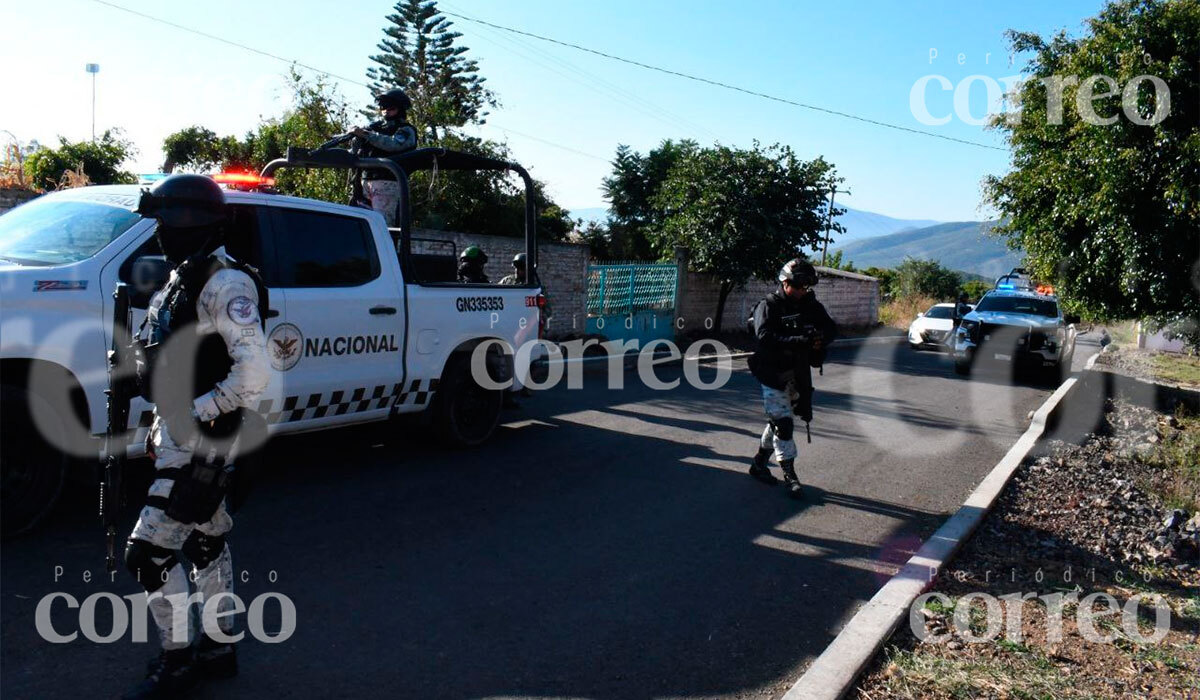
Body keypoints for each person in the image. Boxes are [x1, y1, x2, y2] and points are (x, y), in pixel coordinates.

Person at [123, 174, 271, 699]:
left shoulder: (226, 284)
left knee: (149, 557)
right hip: (182, 437)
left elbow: (254, 373)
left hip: (207, 440)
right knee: (207, 543)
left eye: (165, 222)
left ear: (193, 224)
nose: (159, 233)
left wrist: (193, 414)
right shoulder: (183, 276)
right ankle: (218, 646)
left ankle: (179, 659)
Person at [746, 258, 836, 499]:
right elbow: (764, 337)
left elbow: (831, 329)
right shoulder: (768, 305)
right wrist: (798, 340)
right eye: (797, 286)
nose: (801, 291)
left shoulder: (810, 305)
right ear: (784, 282)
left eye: (806, 287)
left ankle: (758, 464)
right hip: (771, 372)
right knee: (784, 425)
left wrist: (818, 338)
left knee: (778, 420)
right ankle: (790, 476)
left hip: (796, 373)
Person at [353, 88, 418, 227]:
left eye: (391, 107)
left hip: (387, 182)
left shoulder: (406, 130)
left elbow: (393, 144)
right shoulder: (374, 127)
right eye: (383, 107)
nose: (386, 110)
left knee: (382, 226)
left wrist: (366, 135)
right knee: (361, 224)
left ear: (400, 109)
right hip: (365, 181)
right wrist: (355, 135)